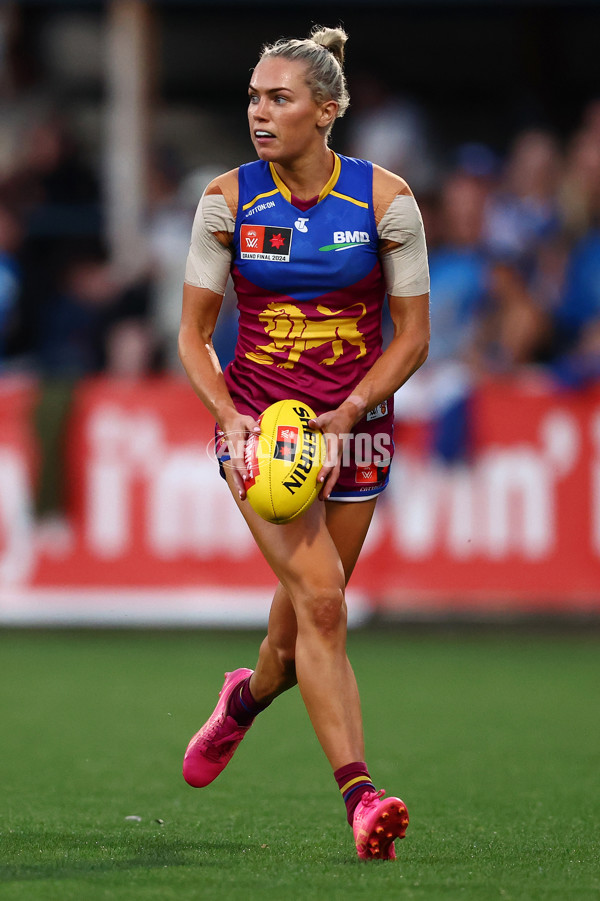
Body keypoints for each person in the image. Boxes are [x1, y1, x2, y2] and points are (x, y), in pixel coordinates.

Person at [178, 26, 430, 861]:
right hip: (263, 429)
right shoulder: (226, 201)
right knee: (325, 602)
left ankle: (245, 699)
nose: (259, 111)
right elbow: (193, 334)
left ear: (326, 111)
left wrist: (355, 408)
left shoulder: (387, 203)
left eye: (278, 98)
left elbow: (414, 336)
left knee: (293, 643)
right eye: (253, 96)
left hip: (353, 429)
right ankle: (363, 797)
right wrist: (228, 413)